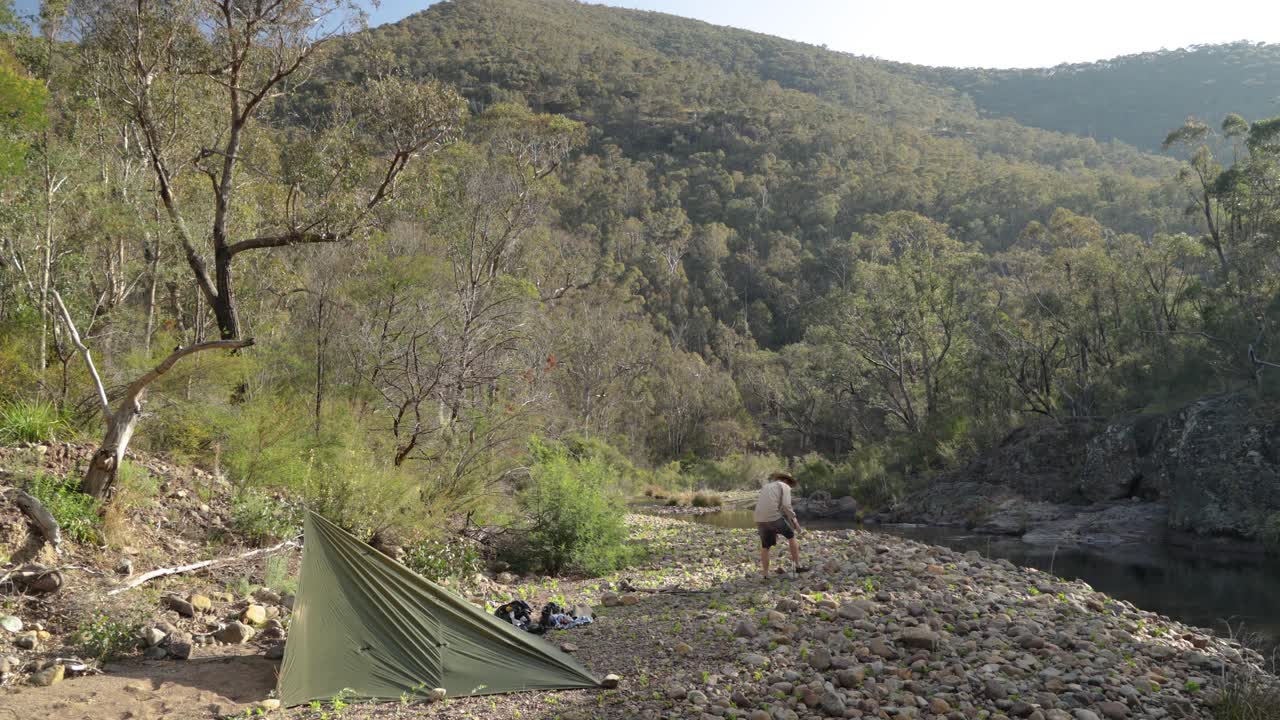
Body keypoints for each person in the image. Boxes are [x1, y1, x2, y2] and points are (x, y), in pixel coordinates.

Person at [753, 471, 807, 578]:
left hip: (759, 517)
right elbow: (787, 506)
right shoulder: (784, 486)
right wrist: (795, 523)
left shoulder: (767, 486)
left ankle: (765, 574)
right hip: (772, 516)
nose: (790, 487)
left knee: (765, 546)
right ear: (786, 481)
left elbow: (767, 503)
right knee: (791, 536)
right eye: (790, 484)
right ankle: (798, 566)